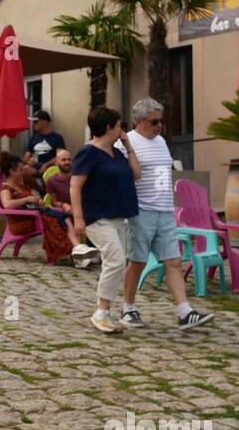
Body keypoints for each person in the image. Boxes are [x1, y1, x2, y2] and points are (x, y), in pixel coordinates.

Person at [118, 98, 214, 332]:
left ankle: (184, 312)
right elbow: (122, 177)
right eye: (154, 121)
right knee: (138, 262)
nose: (160, 125)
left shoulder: (160, 141)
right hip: (141, 212)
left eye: (162, 121)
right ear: (139, 121)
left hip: (165, 210)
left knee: (173, 261)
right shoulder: (126, 143)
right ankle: (128, 308)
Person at [70, 106, 141, 333]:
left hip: (118, 217)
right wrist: (78, 219)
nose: (123, 130)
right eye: (120, 125)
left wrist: (128, 147)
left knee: (114, 262)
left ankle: (105, 312)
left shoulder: (117, 152)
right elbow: (75, 185)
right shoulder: (87, 152)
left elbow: (136, 174)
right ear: (109, 127)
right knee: (117, 260)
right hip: (97, 218)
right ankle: (101, 312)